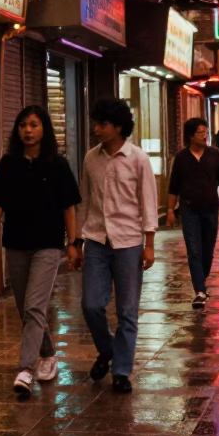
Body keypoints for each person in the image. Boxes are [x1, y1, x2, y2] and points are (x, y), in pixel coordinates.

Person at [0, 105, 82, 396]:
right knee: (25, 307)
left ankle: (25, 369)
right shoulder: (9, 163)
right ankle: (48, 353)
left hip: (48, 245)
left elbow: (69, 207)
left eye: (34, 125)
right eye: (23, 125)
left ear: (44, 129)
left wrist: (73, 244)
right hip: (15, 243)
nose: (27, 130)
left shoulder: (58, 165)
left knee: (34, 306)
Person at [77, 98, 158, 394]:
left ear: (119, 127)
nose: (96, 129)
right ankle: (108, 349)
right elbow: (85, 201)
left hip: (129, 242)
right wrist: (77, 239)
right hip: (97, 240)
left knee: (127, 311)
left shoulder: (138, 159)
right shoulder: (90, 158)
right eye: (96, 123)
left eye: (102, 124)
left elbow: (148, 201)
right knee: (91, 304)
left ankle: (121, 371)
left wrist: (149, 244)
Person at [167, 118, 219, 309]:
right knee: (193, 250)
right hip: (189, 210)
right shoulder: (181, 158)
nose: (205, 135)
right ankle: (200, 291)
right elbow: (173, 187)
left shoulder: (214, 154)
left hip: (211, 209)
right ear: (190, 135)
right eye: (200, 132)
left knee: (207, 251)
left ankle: (201, 281)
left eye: (206, 132)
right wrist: (170, 210)